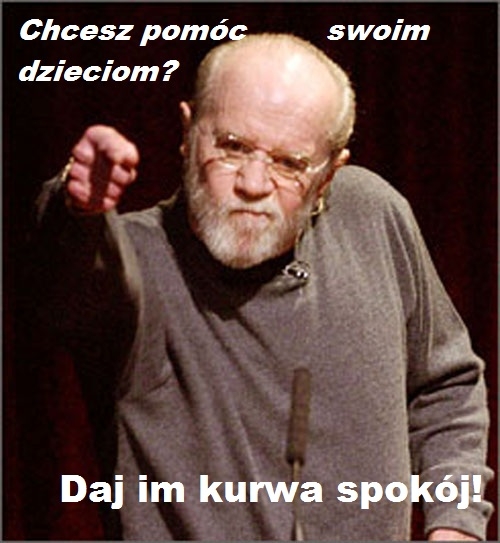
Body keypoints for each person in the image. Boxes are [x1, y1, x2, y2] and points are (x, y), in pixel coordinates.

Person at [30, 33, 492, 540]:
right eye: (232, 147)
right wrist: (77, 208)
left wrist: (457, 524)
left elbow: (445, 386)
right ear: (187, 132)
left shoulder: (372, 215)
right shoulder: (137, 261)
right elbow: (65, 277)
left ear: (330, 173)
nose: (252, 183)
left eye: (288, 163)